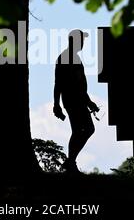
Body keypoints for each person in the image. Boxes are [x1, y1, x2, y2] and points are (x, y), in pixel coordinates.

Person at [53, 29, 99, 174]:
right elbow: (58, 83)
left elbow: (81, 85)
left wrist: (89, 102)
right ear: (74, 41)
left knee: (82, 130)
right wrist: (56, 104)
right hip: (73, 101)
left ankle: (70, 162)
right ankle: (70, 162)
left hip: (78, 100)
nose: (83, 43)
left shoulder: (75, 58)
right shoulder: (64, 58)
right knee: (83, 130)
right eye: (81, 40)